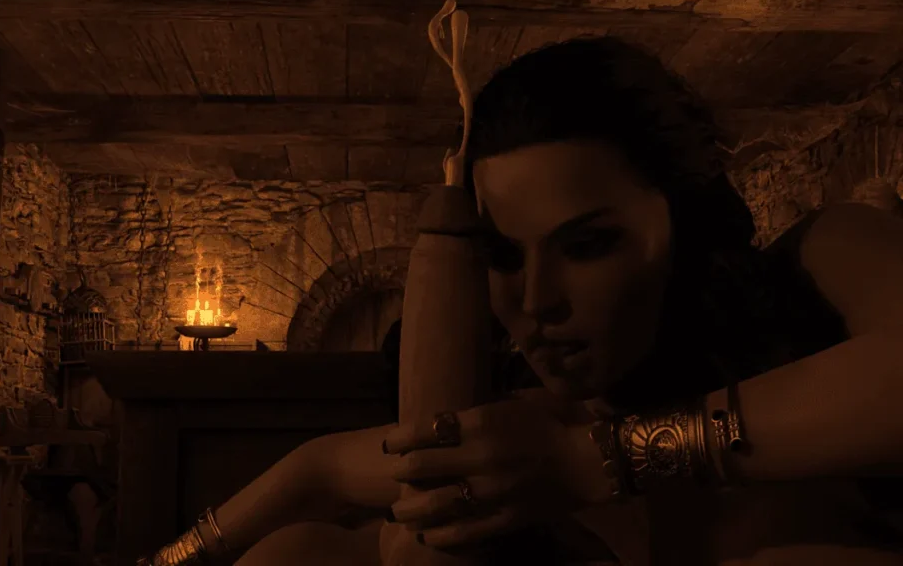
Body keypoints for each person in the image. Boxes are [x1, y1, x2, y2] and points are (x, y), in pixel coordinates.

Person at [138, 37, 903, 566]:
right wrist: (165, 560)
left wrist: (597, 463)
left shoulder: (821, 263)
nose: (537, 301)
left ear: (685, 217)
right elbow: (319, 468)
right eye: (503, 257)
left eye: (587, 245)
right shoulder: (538, 433)